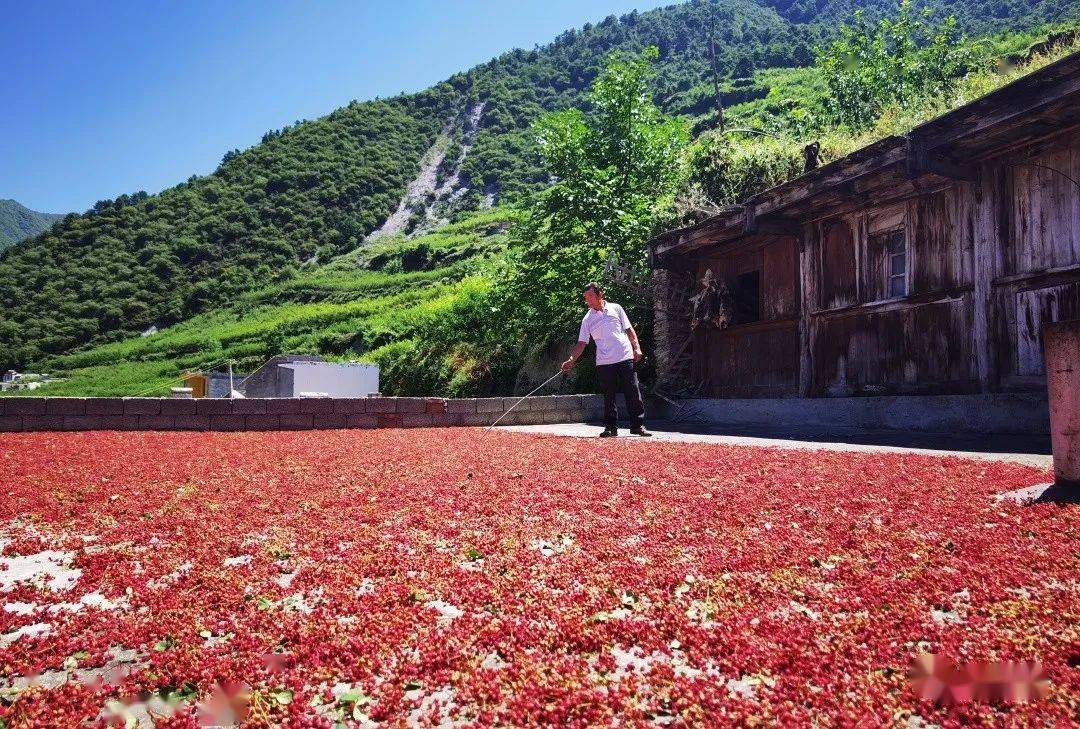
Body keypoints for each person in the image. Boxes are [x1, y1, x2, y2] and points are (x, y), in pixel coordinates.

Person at [561, 282, 652, 437]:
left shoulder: (616, 308)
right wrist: (571, 359)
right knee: (609, 395)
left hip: (625, 355)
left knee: (632, 391)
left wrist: (636, 348)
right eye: (586, 297)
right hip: (604, 361)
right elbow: (582, 343)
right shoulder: (587, 319)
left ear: (599, 295)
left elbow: (629, 329)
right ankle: (610, 428)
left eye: (590, 296)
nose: (587, 300)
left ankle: (638, 426)